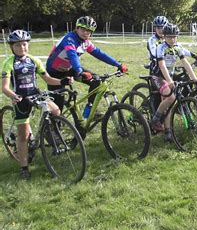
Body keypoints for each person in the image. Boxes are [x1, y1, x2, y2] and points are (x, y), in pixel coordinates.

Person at [1, 30, 73, 180]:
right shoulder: (8, 63)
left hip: (35, 92)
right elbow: (5, 87)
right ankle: (24, 168)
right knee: (23, 136)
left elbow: (47, 79)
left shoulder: (34, 60)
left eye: (24, 44)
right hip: (20, 98)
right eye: (18, 45)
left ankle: (46, 131)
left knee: (56, 110)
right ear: (12, 47)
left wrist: (62, 81)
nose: (22, 48)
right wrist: (14, 96)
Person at [46, 16, 127, 118]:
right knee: (57, 106)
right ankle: (51, 128)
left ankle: (90, 109)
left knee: (97, 81)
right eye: (83, 29)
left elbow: (99, 54)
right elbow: (72, 55)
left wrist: (118, 64)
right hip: (54, 72)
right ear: (77, 28)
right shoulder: (69, 39)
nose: (86, 33)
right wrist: (80, 71)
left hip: (70, 69)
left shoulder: (86, 42)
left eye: (89, 31)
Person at [150, 24, 197, 142]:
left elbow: (185, 62)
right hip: (158, 77)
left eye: (174, 37)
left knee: (169, 104)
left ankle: (168, 132)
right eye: (169, 37)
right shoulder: (160, 48)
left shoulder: (178, 47)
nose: (172, 39)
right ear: (165, 37)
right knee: (171, 97)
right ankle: (155, 119)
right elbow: (162, 66)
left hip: (168, 77)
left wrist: (194, 77)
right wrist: (170, 81)